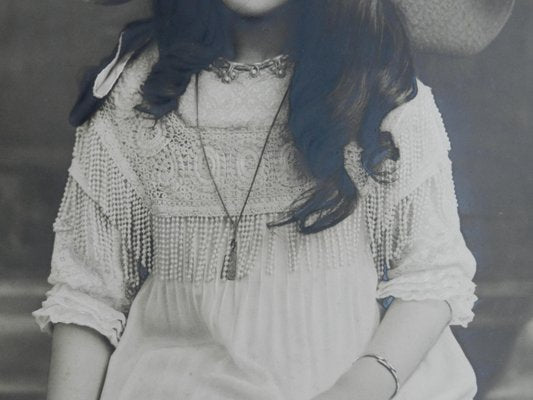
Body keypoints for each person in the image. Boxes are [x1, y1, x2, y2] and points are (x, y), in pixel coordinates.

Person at [33, 0, 497, 399]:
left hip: (351, 380)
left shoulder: (379, 89)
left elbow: (431, 275)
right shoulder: (134, 92)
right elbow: (90, 295)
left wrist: (356, 389)